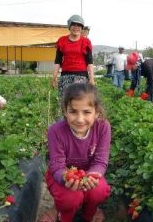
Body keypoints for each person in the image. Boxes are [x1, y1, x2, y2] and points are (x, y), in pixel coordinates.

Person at [45, 83, 111, 222]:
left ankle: (89, 214)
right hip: (63, 175)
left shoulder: (103, 127)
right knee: (70, 198)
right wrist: (66, 178)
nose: (80, 119)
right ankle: (64, 215)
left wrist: (92, 175)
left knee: (98, 191)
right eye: (73, 111)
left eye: (87, 112)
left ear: (96, 112)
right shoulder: (55, 131)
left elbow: (100, 161)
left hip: (89, 173)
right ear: (65, 111)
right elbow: (57, 166)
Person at [52, 14, 95, 98]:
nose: (76, 27)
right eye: (73, 24)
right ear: (69, 26)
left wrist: (91, 78)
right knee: (64, 101)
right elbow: (58, 61)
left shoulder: (86, 42)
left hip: (81, 76)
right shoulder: (62, 40)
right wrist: (54, 77)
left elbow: (90, 62)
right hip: (65, 76)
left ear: (82, 28)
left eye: (79, 25)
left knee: (78, 101)